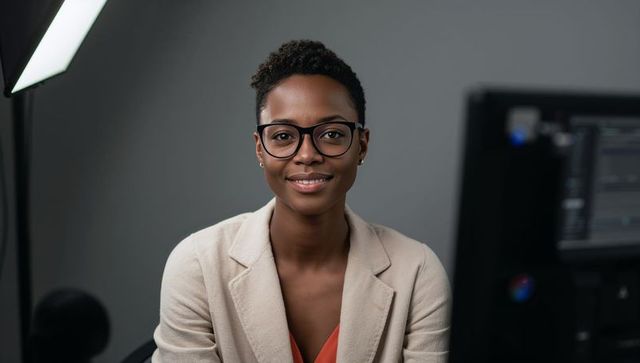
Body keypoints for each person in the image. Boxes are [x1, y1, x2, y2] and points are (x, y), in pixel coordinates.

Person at [152, 40, 450, 363]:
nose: (307, 155)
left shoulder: (417, 272)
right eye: (283, 136)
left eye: (332, 134)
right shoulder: (197, 267)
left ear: (361, 146)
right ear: (259, 148)